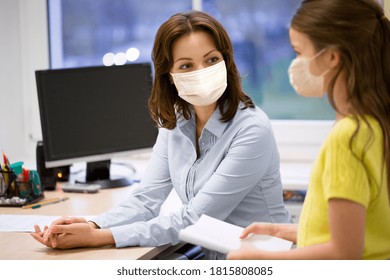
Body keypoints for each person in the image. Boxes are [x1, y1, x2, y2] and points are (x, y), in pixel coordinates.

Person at [31, 10, 290, 259]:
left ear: (226, 61)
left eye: (211, 60)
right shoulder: (176, 122)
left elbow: (195, 220)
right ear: (169, 76)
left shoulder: (251, 129)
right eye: (186, 65)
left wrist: (100, 237)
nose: (201, 71)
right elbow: (146, 200)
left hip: (264, 262)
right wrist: (92, 224)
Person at [228, 0, 390, 260]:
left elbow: (344, 253)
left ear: (331, 57)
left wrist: (259, 260)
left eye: (299, 52)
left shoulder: (347, 137)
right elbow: (360, 231)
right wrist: (282, 231)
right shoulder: (375, 123)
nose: (296, 63)